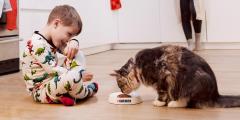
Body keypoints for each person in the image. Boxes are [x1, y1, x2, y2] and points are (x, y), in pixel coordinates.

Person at [21, 5, 98, 106]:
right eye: (69, 34)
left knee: (78, 54)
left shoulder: (53, 40)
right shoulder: (37, 44)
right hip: (41, 91)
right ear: (56, 24)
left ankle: (67, 94)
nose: (68, 40)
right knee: (73, 76)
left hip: (55, 81)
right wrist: (79, 75)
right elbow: (53, 70)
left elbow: (69, 52)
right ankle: (86, 91)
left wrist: (74, 42)